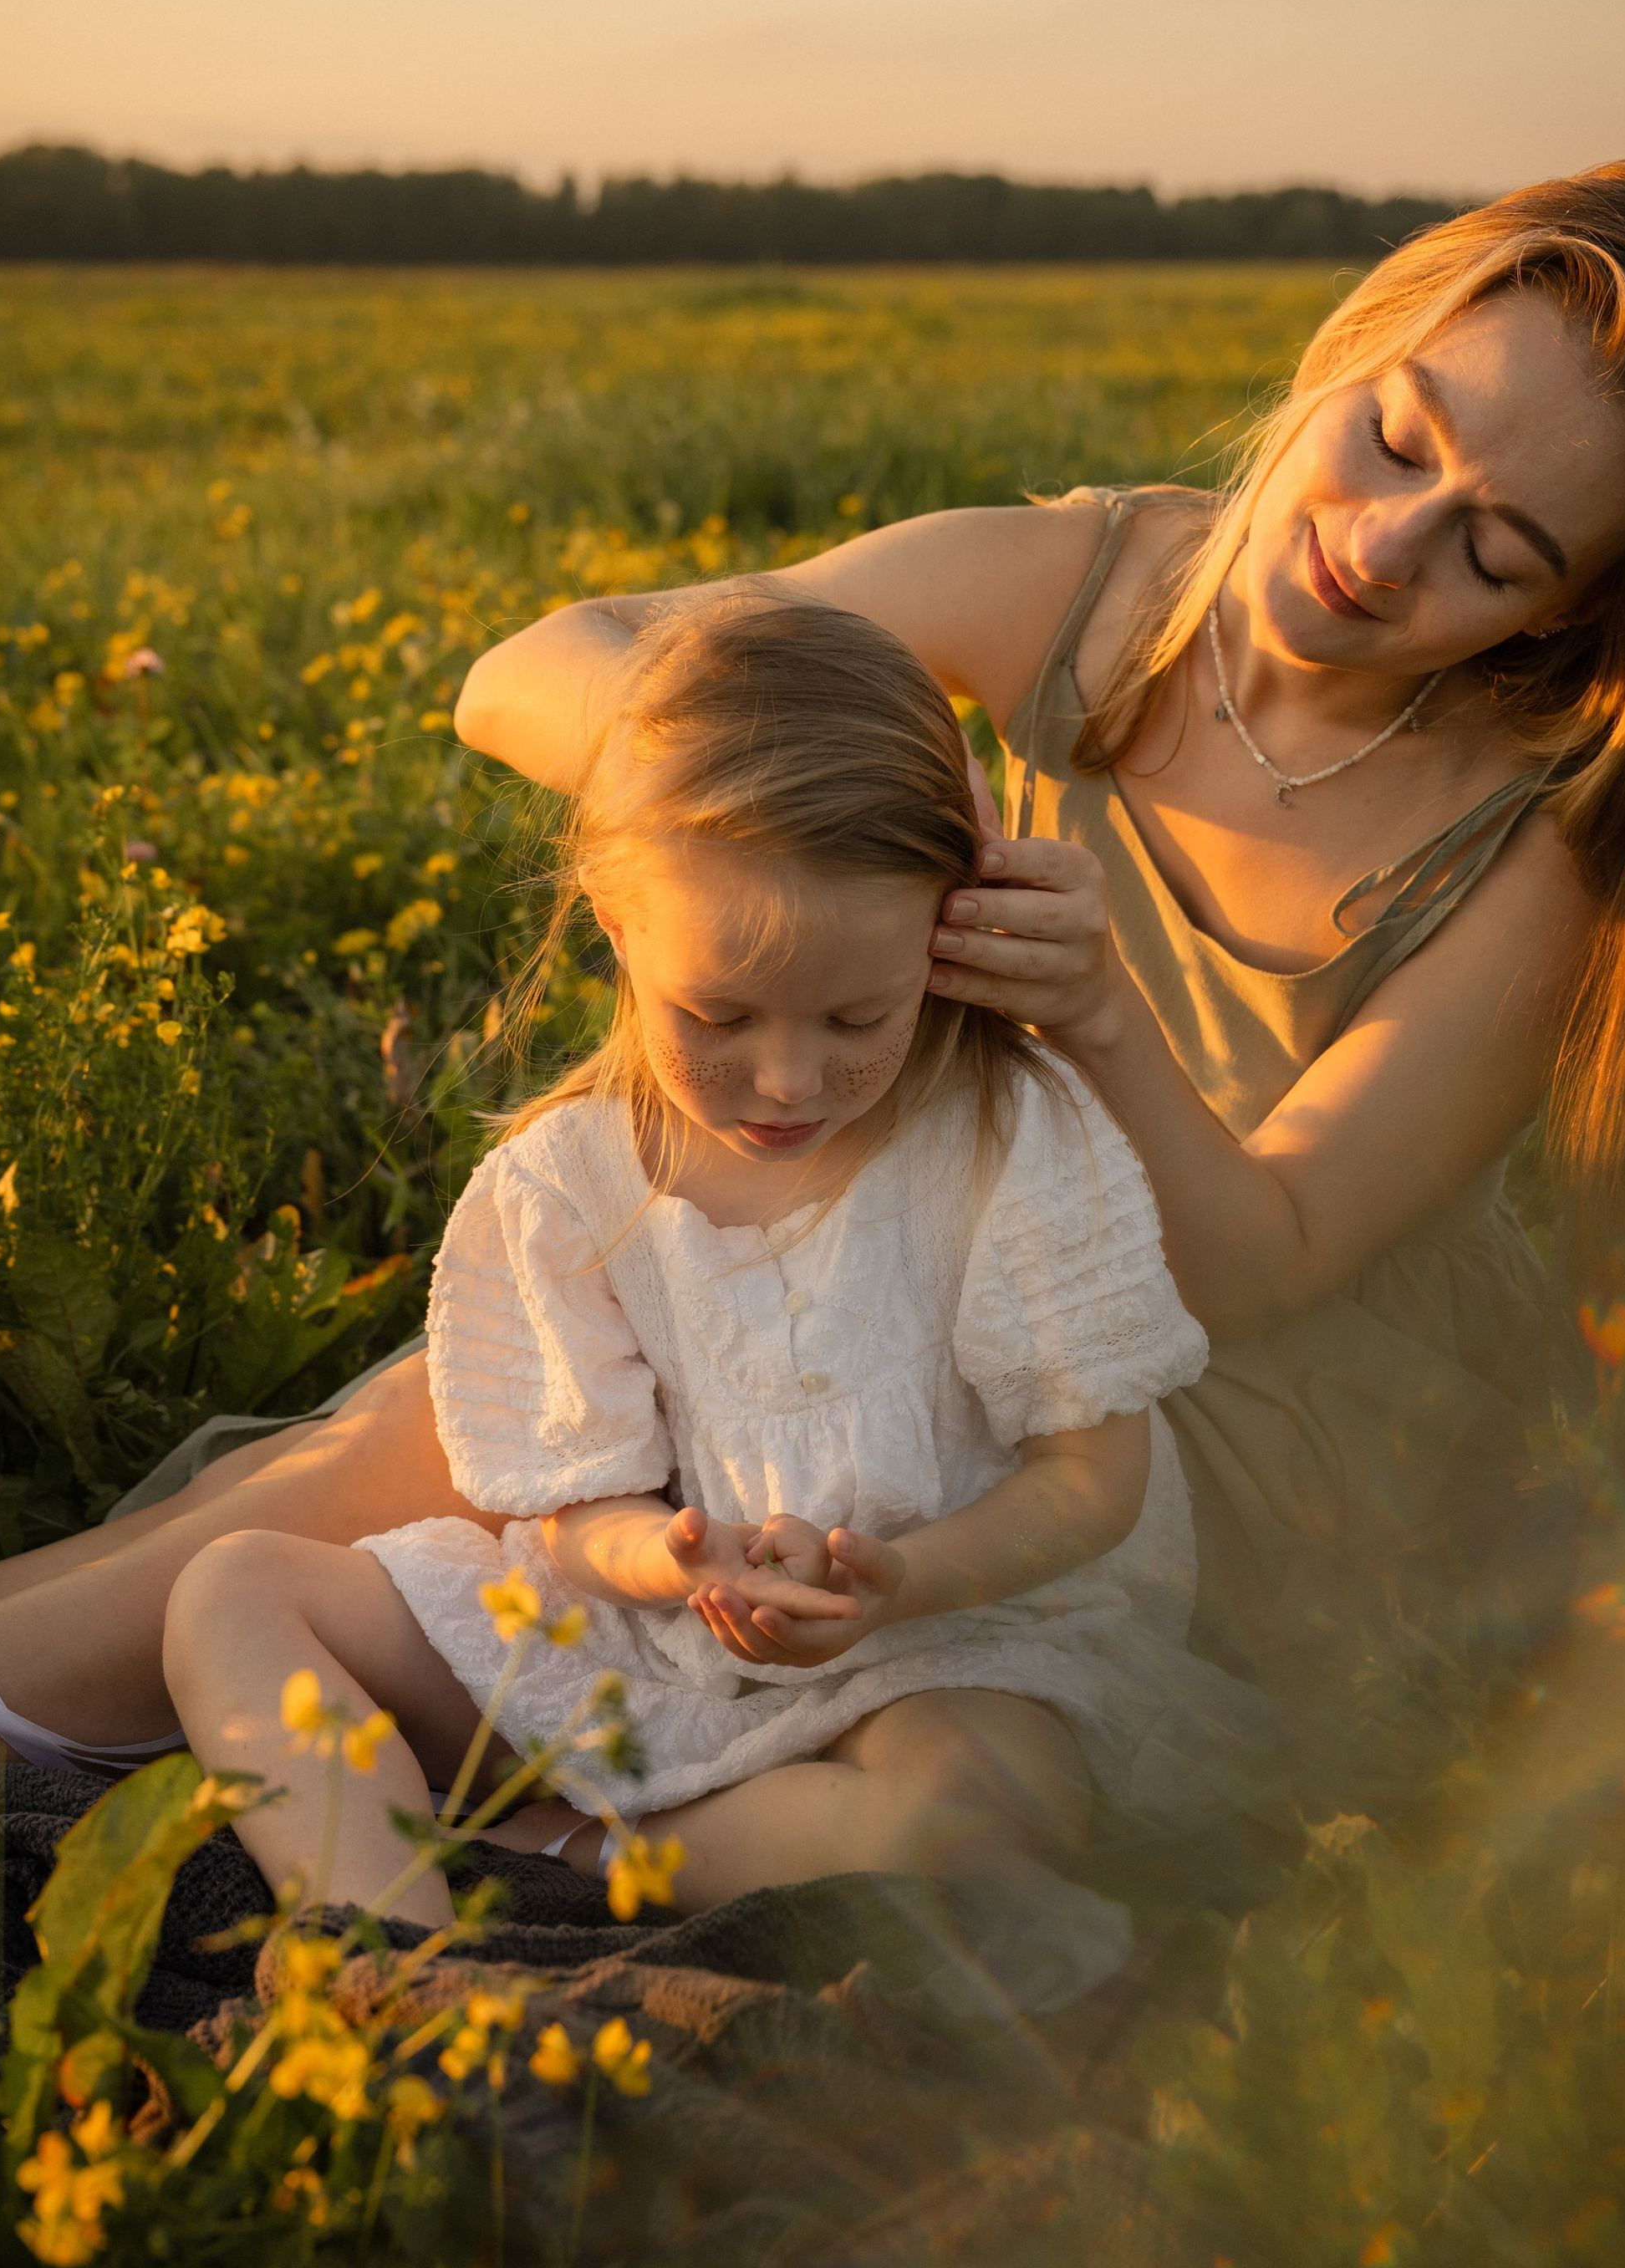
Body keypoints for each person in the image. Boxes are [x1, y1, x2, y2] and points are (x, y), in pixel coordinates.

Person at [0, 159, 1625, 1817]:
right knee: (420, 1431)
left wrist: (1088, 1009)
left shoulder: (1526, 849)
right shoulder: (1096, 582)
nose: (1383, 539)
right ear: (1349, 352)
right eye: (1394, 437)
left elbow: (1260, 1261)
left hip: (1181, 1432)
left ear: (1575, 606)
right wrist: (843, 827)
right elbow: (530, 673)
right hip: (891, 1249)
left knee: (461, 1449)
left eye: (1497, 546)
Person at [160, 589, 1203, 1928]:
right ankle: (391, 1954)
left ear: (946, 932)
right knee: (233, 1588)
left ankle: (569, 1853)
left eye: (856, 1014)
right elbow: (572, 1510)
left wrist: (899, 1583)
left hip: (944, 1645)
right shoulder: (569, 1185)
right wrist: (675, 1559)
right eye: (719, 1011)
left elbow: (1093, 1480)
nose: (787, 1074)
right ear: (614, 920)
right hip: (651, 1643)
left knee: (972, 1809)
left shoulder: (1008, 1140)